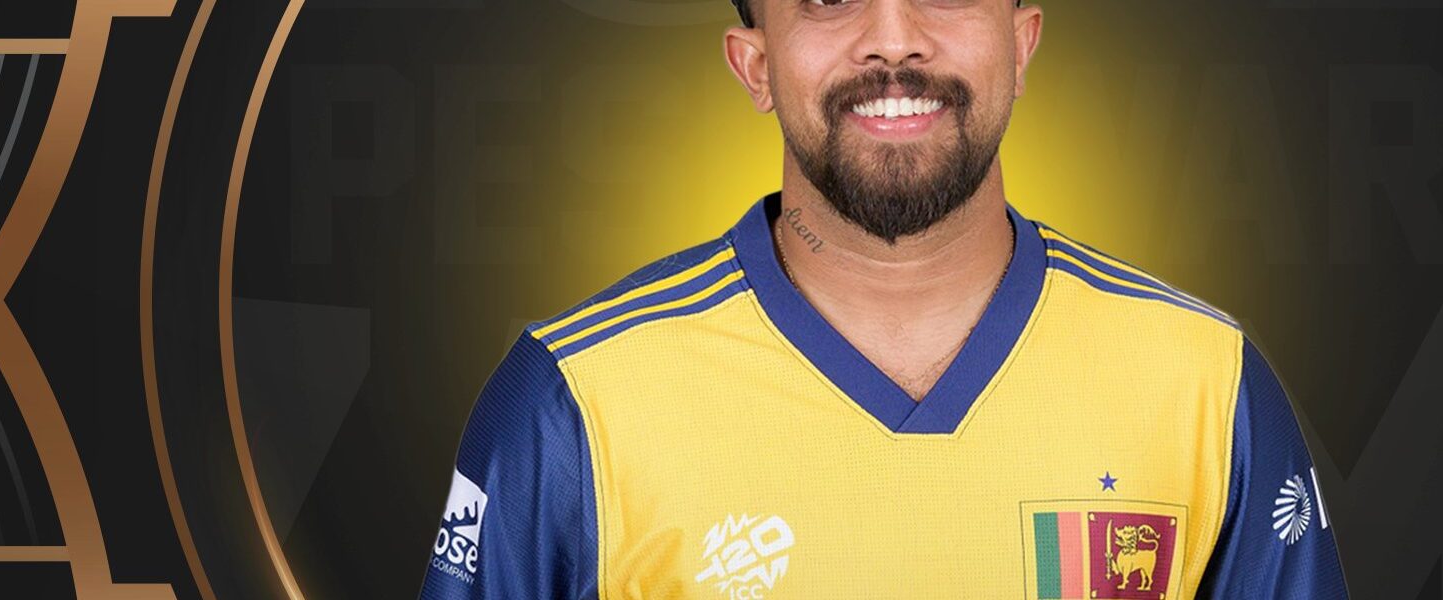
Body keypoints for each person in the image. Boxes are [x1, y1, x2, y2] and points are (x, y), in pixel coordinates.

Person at [420, 0, 1348, 597]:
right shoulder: (572, 396)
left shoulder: (1203, 378)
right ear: (754, 65)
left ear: (1021, 43)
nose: (893, 37)